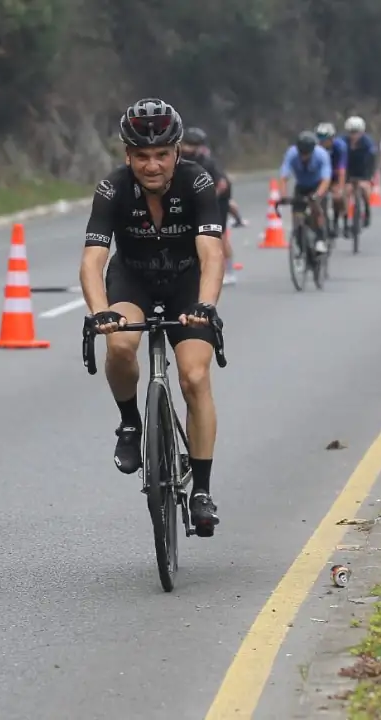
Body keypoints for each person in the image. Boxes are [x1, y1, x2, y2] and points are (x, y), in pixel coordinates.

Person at [79, 98, 226, 536]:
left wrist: (206, 304)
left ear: (177, 152)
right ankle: (130, 422)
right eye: (142, 156)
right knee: (120, 345)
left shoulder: (198, 183)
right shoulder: (112, 189)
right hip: (133, 280)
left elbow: (212, 252)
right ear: (128, 156)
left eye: (162, 154)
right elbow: (93, 261)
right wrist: (99, 311)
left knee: (194, 378)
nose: (152, 165)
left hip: (186, 283)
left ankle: (201, 490)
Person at [181, 127, 238, 286]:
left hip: (218, 197)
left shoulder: (207, 161)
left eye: (193, 145)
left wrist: (208, 198)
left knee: (218, 234)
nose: (189, 148)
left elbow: (222, 184)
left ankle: (229, 270)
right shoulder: (179, 157)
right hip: (196, 197)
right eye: (187, 144)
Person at [278, 131, 334, 251]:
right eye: (301, 153)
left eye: (307, 154)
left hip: (318, 185)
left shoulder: (321, 155)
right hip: (302, 186)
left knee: (316, 208)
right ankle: (299, 239)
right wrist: (283, 196)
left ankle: (320, 238)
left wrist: (317, 195)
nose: (303, 157)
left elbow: (326, 180)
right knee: (297, 214)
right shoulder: (291, 154)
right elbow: (283, 177)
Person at [342, 116, 378, 231]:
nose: (354, 136)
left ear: (362, 132)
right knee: (346, 192)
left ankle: (367, 211)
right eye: (351, 133)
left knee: (365, 190)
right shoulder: (343, 142)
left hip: (363, 169)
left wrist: (369, 177)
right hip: (348, 169)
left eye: (356, 133)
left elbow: (372, 160)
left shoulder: (368, 143)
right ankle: (346, 219)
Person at [315, 123, 348, 240]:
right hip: (321, 176)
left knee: (338, 198)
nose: (323, 142)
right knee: (318, 198)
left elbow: (342, 170)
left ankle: (342, 218)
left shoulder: (340, 147)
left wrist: (340, 188)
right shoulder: (316, 148)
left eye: (326, 139)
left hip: (335, 174)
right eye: (320, 139)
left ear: (332, 138)